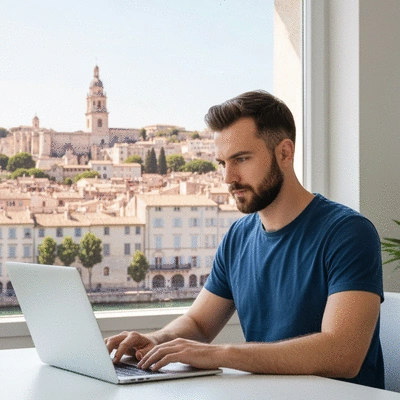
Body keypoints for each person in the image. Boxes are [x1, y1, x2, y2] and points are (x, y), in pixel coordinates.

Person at [105, 90, 384, 389]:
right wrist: (155, 340)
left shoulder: (349, 233)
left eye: (241, 159)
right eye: (222, 162)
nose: (228, 177)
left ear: (285, 153)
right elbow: (199, 324)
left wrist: (219, 354)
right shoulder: (238, 237)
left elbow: (342, 354)